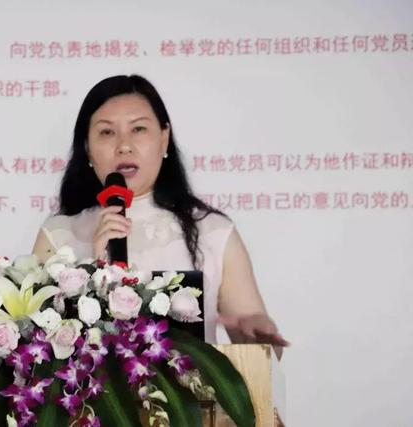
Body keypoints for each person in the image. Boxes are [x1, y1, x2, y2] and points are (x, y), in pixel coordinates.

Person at [32, 74, 288, 353]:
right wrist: (95, 270)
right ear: (87, 148)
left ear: (164, 139)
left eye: (138, 129)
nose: (124, 145)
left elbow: (258, 342)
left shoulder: (212, 231)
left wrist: (257, 333)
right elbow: (35, 349)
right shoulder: (57, 236)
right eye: (107, 132)